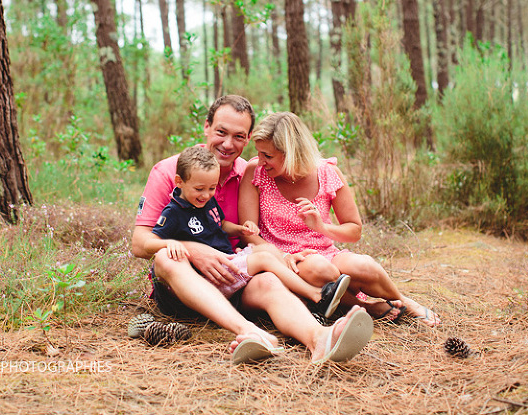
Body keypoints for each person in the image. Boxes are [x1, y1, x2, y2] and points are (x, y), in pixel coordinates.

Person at [131, 95, 373, 364]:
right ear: (206, 126)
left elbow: (266, 226)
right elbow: (139, 243)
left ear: (247, 139)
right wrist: (193, 250)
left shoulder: (252, 173)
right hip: (183, 287)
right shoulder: (170, 171)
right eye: (221, 132)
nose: (227, 144)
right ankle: (248, 330)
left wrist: (284, 255)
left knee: (268, 280)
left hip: (233, 279)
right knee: (167, 257)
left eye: (238, 136)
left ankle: (320, 339)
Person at [238, 111, 441, 327]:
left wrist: (321, 227)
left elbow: (354, 230)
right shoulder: (255, 172)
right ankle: (367, 308)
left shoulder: (327, 172)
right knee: (321, 269)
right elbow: (248, 235)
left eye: (268, 156)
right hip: (284, 259)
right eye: (259, 153)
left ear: (292, 153)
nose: (261, 161)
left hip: (326, 252)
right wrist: (283, 256)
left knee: (364, 266)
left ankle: (402, 301)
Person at [146, 145, 351, 319]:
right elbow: (151, 242)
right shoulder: (174, 212)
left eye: (211, 188)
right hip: (211, 275)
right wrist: (171, 244)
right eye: (199, 189)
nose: (206, 195)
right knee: (264, 259)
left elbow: (220, 224)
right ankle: (316, 296)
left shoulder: (206, 202)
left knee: (267, 250)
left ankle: (300, 297)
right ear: (179, 182)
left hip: (227, 260)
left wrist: (240, 229)